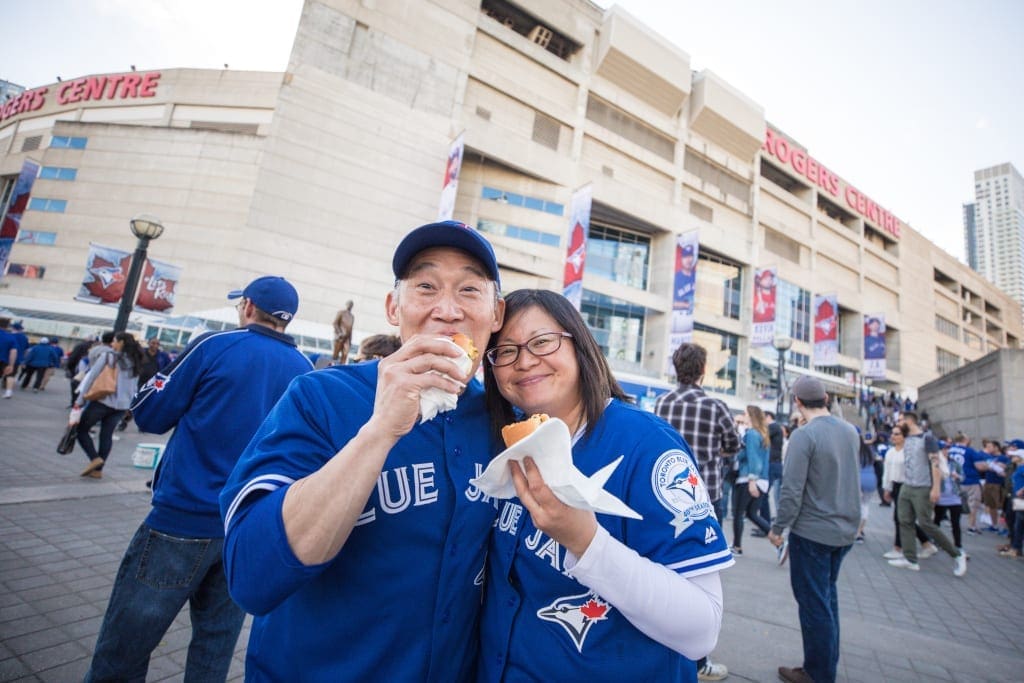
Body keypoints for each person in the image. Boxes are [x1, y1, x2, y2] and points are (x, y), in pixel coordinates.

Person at [219, 221, 505, 679]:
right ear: (395, 307)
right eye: (426, 287)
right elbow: (252, 578)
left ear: (496, 313)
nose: (448, 310)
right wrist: (380, 431)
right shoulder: (319, 397)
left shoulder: (504, 422)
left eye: (470, 290)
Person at [478, 289, 730, 682]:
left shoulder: (647, 444)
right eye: (505, 351)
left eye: (542, 342)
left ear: (580, 346)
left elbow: (702, 628)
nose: (524, 361)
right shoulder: (504, 443)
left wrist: (586, 541)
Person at [84, 276, 313, 681]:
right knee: (214, 649)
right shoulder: (305, 371)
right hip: (248, 528)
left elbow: (151, 414)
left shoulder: (216, 346)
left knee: (125, 645)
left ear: (246, 307)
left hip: (181, 520)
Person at [655, 341, 741, 682]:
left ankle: (664, 645)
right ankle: (700, 661)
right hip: (703, 500)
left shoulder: (662, 402)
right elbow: (734, 445)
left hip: (661, 499)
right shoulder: (714, 405)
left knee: (663, 573)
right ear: (703, 370)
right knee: (701, 583)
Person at [768, 376, 860, 683]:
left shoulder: (804, 435)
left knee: (814, 605)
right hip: (844, 530)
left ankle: (818, 673)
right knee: (827, 599)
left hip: (813, 533)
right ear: (826, 399)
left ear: (797, 401)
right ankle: (825, 665)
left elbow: (792, 490)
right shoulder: (850, 431)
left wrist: (779, 527)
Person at [886, 412, 967, 576]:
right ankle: (910, 559)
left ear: (909, 421)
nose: (897, 423)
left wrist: (936, 488)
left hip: (922, 487)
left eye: (900, 420)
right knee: (904, 520)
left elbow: (935, 463)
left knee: (925, 523)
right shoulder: (906, 437)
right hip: (907, 485)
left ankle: (957, 555)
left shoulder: (927, 438)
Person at [73, 332, 144, 478]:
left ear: (121, 342)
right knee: (106, 435)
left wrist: (80, 399)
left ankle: (95, 459)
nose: (113, 343)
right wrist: (131, 406)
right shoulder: (136, 360)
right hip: (122, 405)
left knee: (81, 430)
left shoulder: (109, 357)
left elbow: (92, 376)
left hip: (103, 400)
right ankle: (98, 471)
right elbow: (134, 386)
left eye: (115, 341)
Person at [880, 426, 937, 561]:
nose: (893, 436)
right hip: (895, 485)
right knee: (903, 519)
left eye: (897, 434)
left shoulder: (910, 451)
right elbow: (887, 472)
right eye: (892, 434)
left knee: (901, 518)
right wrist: (886, 488)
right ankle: (926, 543)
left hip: (908, 485)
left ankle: (899, 548)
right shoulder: (890, 452)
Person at [731, 405, 770, 554]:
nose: (744, 416)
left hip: (749, 478)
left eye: (746, 413)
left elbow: (754, 459)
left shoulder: (752, 434)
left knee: (739, 513)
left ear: (752, 416)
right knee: (751, 513)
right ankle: (776, 538)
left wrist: (752, 481)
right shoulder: (761, 434)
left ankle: (737, 546)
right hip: (760, 479)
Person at [949, 432, 985, 535]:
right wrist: (989, 465)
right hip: (970, 481)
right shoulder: (970, 451)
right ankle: (971, 526)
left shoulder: (950, 449)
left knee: (954, 504)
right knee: (973, 504)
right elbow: (980, 466)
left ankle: (954, 524)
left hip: (954, 480)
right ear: (965, 440)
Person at [759, 410, 784, 525]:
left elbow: (762, 436)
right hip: (773, 464)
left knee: (764, 494)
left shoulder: (774, 427)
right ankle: (764, 522)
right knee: (764, 494)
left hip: (772, 464)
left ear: (768, 417)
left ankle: (765, 523)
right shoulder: (775, 427)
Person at [0, 317, 17, 398]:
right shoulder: (10, 337)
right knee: (10, 375)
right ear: (7, 326)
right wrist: (11, 365)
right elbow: (13, 352)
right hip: (3, 360)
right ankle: (8, 392)